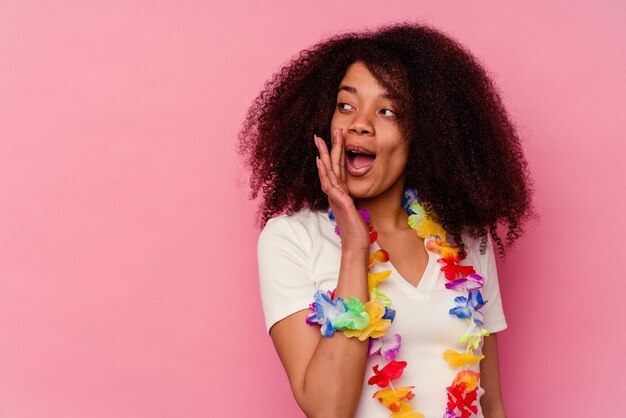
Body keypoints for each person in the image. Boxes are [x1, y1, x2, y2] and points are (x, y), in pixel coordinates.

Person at [239, 23, 533, 418]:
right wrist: (354, 248)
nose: (360, 123)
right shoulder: (292, 238)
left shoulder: (466, 239)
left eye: (387, 110)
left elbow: (492, 403)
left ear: (425, 133)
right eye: (346, 105)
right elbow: (328, 410)